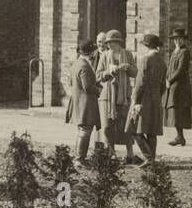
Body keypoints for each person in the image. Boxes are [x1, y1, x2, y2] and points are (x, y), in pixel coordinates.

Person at [97, 28, 136, 164]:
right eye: (108, 43)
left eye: (112, 42)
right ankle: (111, 153)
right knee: (107, 126)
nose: (110, 45)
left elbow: (135, 73)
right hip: (107, 96)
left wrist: (128, 68)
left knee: (125, 125)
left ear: (118, 42)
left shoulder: (128, 55)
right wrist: (109, 72)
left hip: (124, 96)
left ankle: (130, 153)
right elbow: (98, 76)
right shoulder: (104, 56)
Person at [128, 33, 165, 163]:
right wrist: (157, 96)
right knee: (151, 131)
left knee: (133, 128)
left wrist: (136, 101)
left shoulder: (145, 60)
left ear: (147, 46)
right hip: (156, 99)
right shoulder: (161, 60)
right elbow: (163, 85)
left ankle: (149, 159)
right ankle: (152, 160)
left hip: (144, 99)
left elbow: (140, 83)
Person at [65, 39, 102, 163]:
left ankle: (79, 158)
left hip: (79, 102)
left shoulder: (77, 63)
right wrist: (99, 90)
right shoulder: (84, 65)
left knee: (83, 130)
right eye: (94, 51)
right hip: (85, 103)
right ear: (91, 52)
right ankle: (79, 159)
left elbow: (74, 83)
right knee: (85, 131)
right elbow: (87, 87)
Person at [163, 27, 192, 146]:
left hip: (180, 86)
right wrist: (166, 78)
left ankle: (180, 137)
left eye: (180, 39)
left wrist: (170, 80)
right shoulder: (174, 52)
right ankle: (180, 136)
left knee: (178, 110)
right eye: (175, 39)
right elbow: (170, 68)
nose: (177, 42)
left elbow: (180, 70)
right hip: (173, 85)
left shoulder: (184, 52)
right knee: (174, 111)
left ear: (183, 40)